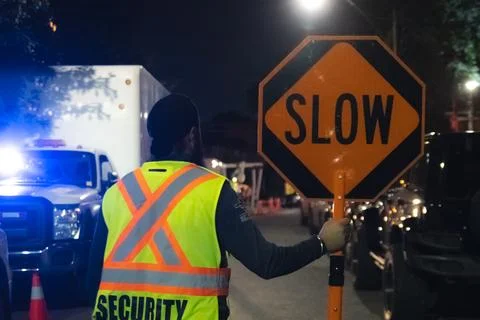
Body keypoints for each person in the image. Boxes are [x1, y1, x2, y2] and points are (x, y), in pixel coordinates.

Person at [87, 93, 350, 320]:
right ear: (191, 135)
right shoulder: (213, 190)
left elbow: (91, 283)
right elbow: (267, 262)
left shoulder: (117, 193)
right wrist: (322, 243)